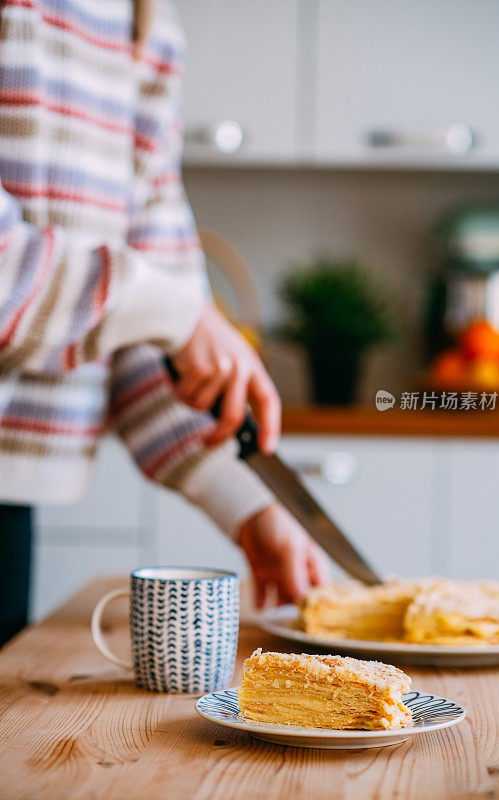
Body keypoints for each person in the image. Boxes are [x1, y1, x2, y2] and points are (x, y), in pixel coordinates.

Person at [0, 0, 328, 646]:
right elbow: (163, 308)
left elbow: (150, 324)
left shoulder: (144, 22)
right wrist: (179, 314)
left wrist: (250, 506)